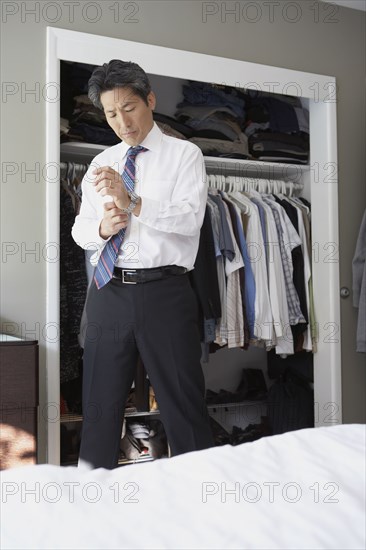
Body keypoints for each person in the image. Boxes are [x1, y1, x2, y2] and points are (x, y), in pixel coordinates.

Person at [71, 59, 214, 469]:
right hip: (108, 291)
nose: (122, 121)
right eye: (111, 114)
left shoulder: (185, 155)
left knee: (183, 405)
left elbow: (190, 221)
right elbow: (80, 233)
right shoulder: (101, 162)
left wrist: (132, 202)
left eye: (128, 108)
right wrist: (101, 227)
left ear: (149, 100)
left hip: (165, 293)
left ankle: (199, 501)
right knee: (99, 407)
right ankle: (93, 502)